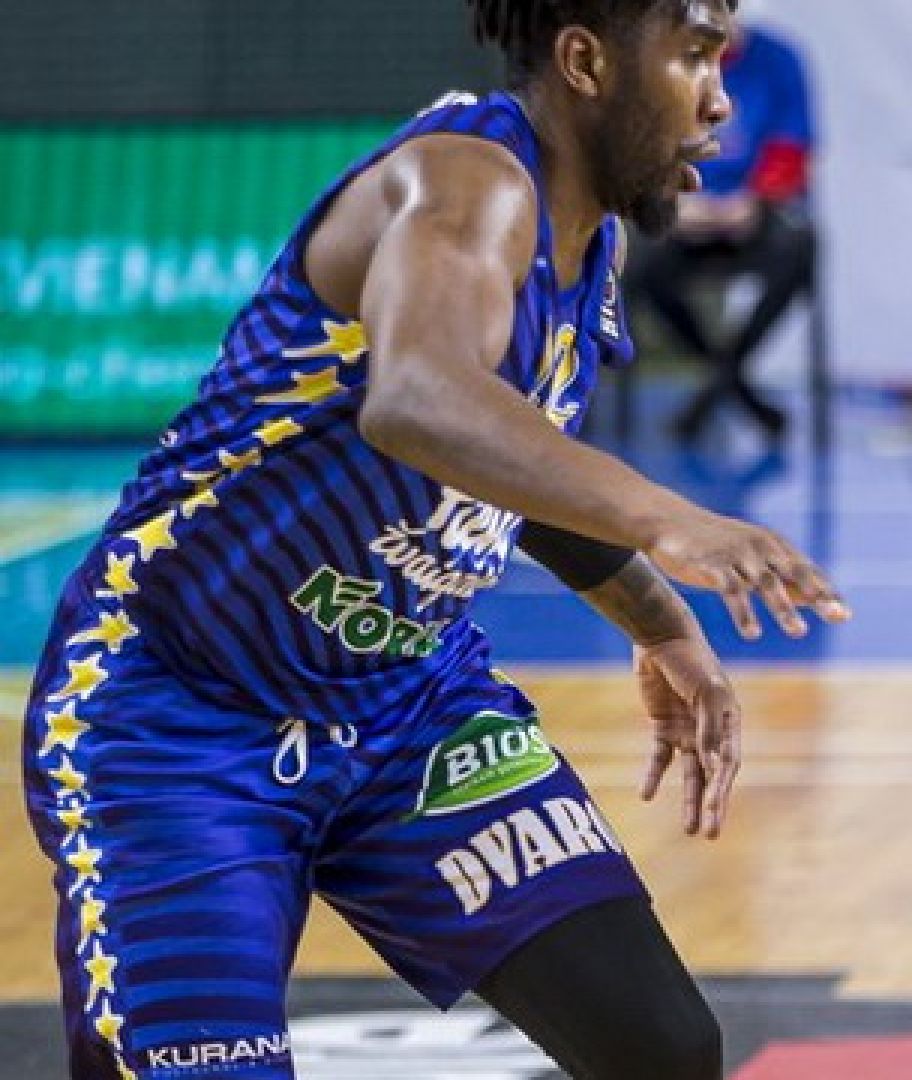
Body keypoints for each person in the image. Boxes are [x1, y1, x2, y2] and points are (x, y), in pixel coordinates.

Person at [18, 2, 848, 1077]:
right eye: (693, 54)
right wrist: (671, 516)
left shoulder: (584, 239)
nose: (721, 98)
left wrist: (660, 623)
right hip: (180, 711)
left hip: (405, 707)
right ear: (586, 60)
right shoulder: (467, 182)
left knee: (662, 1047)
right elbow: (422, 401)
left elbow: (511, 457)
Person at [625, 3, 817, 444]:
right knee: (639, 257)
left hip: (754, 213)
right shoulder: (661, 63)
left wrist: (753, 201)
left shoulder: (778, 59)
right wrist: (674, 200)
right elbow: (642, 148)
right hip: (682, 213)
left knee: (798, 244)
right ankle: (731, 382)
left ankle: (720, 380)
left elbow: (793, 148)